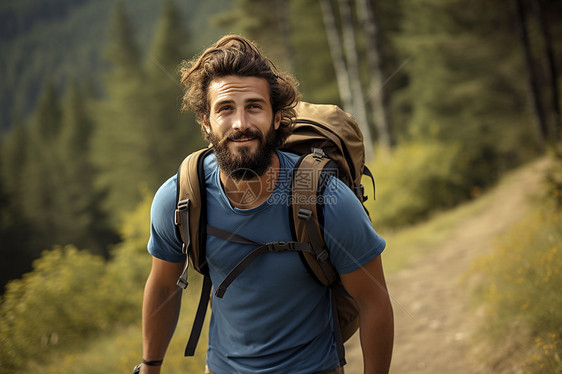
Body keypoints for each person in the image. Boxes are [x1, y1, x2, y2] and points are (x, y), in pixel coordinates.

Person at [139, 35, 394, 374]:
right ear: (206, 122)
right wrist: (150, 366)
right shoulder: (180, 198)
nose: (241, 123)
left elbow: (373, 300)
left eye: (254, 107)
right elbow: (162, 285)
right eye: (225, 109)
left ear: (276, 119)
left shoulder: (325, 198)